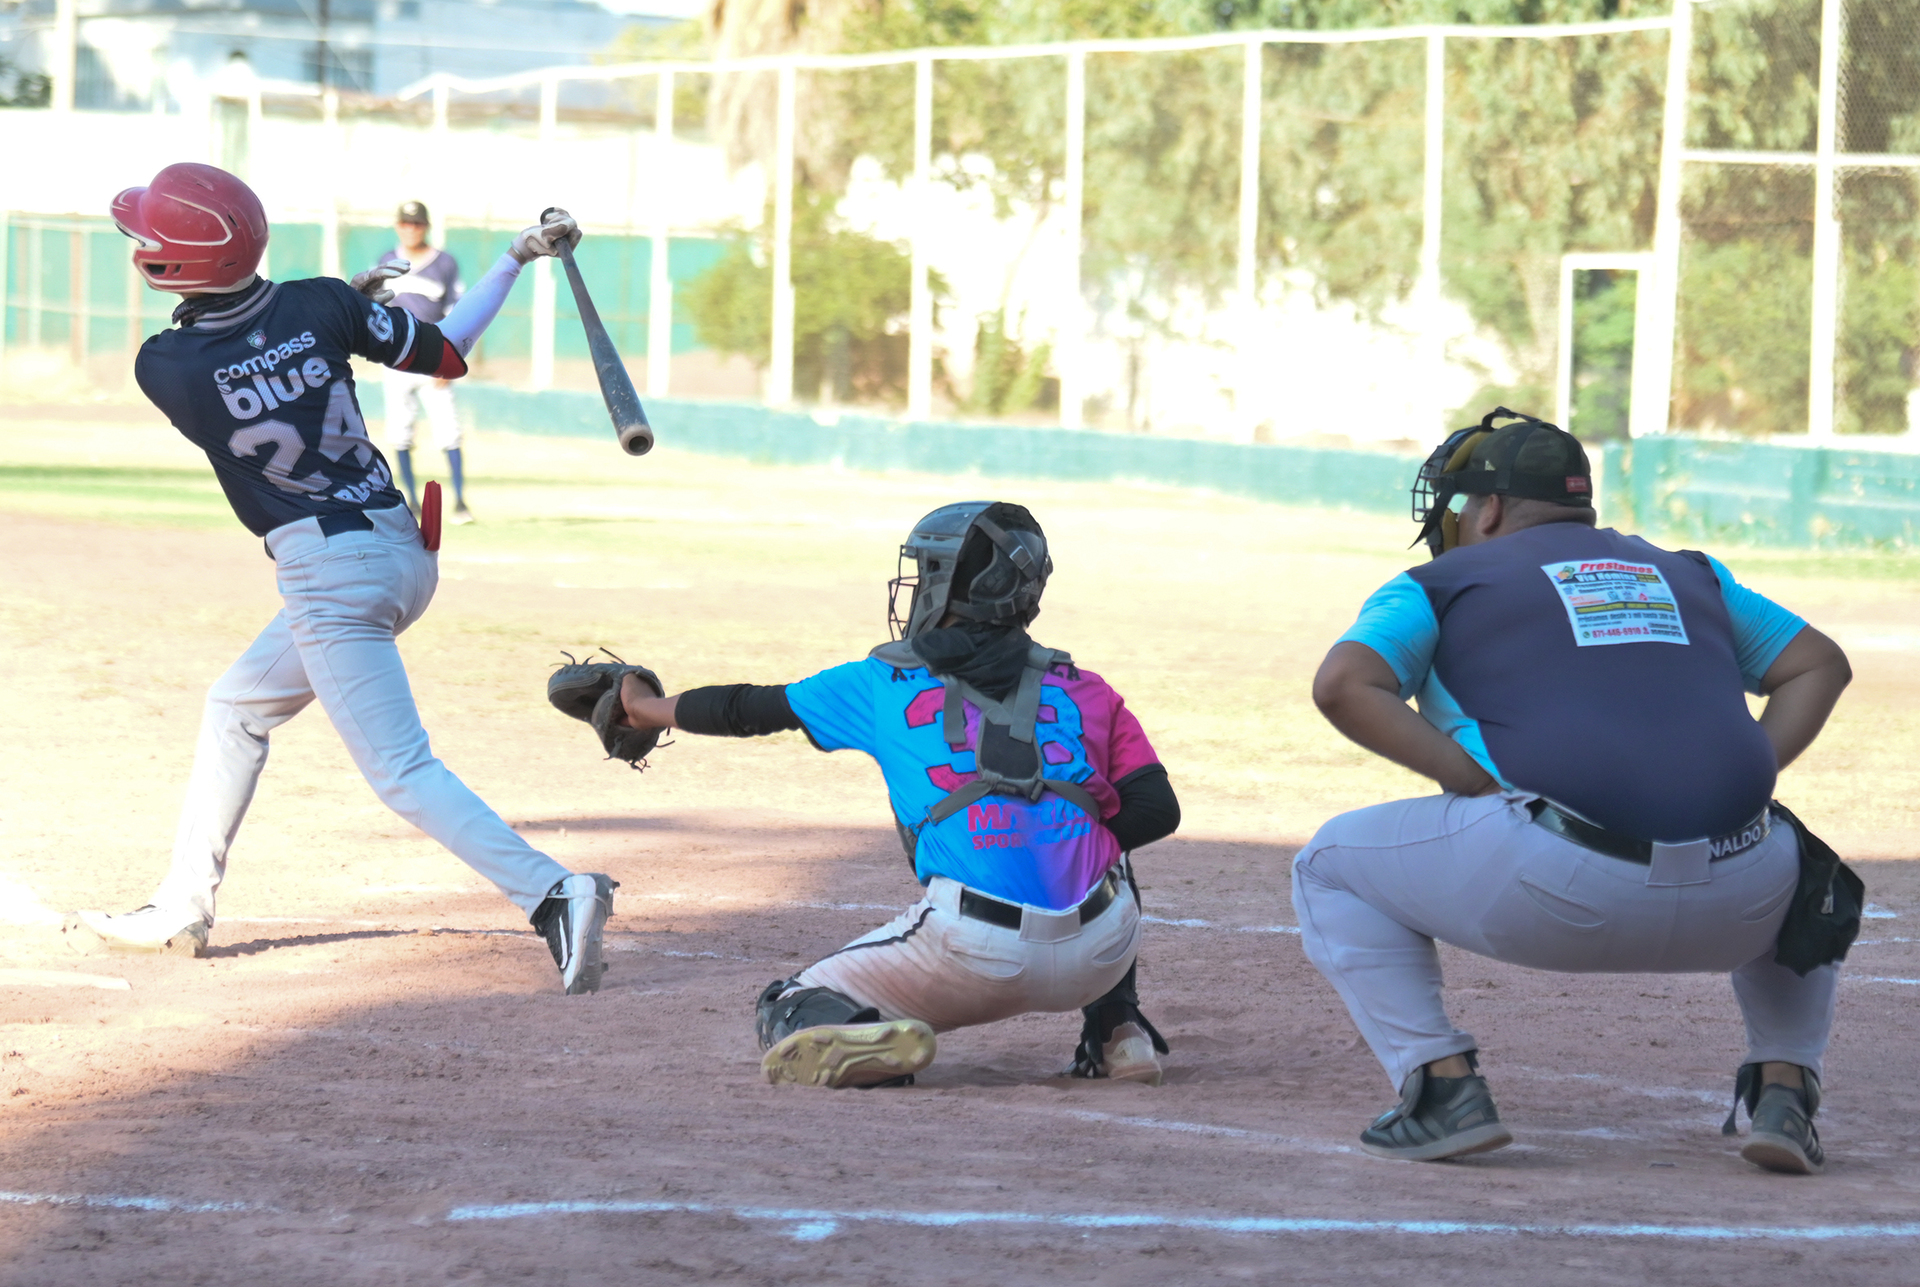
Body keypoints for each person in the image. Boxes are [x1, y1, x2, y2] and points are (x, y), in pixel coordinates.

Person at [70, 162, 616, 995]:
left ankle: (552, 890)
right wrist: (512, 258)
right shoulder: (319, 300)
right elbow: (445, 353)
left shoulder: (166, 365)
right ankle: (183, 903)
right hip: (398, 551)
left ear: (175, 266)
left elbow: (247, 360)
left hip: (330, 575)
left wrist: (330, 327)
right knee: (236, 704)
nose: (141, 243)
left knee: (402, 770)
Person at [1297, 408, 1854, 1172]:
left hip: (1560, 891)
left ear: (1489, 509)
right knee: (1804, 857)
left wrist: (1465, 778)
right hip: (1743, 895)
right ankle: (1786, 1086)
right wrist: (1755, 766)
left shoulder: (1438, 581)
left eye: (1461, 505)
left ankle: (1440, 1088)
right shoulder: (1687, 570)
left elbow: (1343, 685)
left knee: (1327, 861)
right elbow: (1819, 663)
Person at [546, 502, 1181, 1087]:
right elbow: (1158, 810)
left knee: (789, 1004)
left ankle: (857, 1039)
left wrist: (645, 708)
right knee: (1102, 841)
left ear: (950, 586)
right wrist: (1047, 826)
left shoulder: (882, 683)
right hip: (1101, 949)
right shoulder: (1087, 687)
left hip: (972, 951)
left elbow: (748, 708)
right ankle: (1118, 1031)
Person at [375, 200, 471, 522]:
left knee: (448, 430)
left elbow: (457, 312)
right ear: (397, 226)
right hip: (396, 359)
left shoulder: (444, 263)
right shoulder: (387, 260)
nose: (410, 229)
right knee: (400, 432)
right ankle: (412, 502)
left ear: (426, 227)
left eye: (416, 224)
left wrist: (450, 360)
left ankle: (459, 502)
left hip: (433, 360)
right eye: (405, 223)